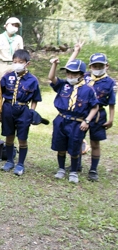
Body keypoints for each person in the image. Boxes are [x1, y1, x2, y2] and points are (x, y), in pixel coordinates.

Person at [67, 45, 116, 181]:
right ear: (90, 67)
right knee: (77, 141)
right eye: (95, 66)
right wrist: (76, 52)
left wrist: (111, 119)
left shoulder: (109, 82)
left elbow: (112, 103)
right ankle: (77, 165)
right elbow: (70, 67)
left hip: (98, 116)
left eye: (100, 66)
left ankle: (93, 169)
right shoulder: (85, 77)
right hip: (82, 113)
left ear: (107, 66)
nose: (97, 68)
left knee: (95, 143)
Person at [48, 58, 99, 184]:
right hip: (61, 119)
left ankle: (74, 171)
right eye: (68, 73)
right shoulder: (63, 85)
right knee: (60, 145)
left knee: (75, 147)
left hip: (77, 123)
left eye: (74, 74)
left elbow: (95, 107)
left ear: (82, 75)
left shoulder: (88, 90)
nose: (70, 76)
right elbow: (51, 77)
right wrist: (54, 64)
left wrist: (87, 121)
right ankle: (61, 169)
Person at [0, 49, 42, 176]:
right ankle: (10, 161)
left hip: (23, 110)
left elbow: (35, 99)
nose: (17, 64)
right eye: (15, 61)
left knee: (22, 138)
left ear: (27, 63)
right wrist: (0, 110)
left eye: (20, 62)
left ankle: (20, 163)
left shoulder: (32, 80)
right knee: (9, 135)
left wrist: (32, 112)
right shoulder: (7, 76)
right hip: (7, 108)